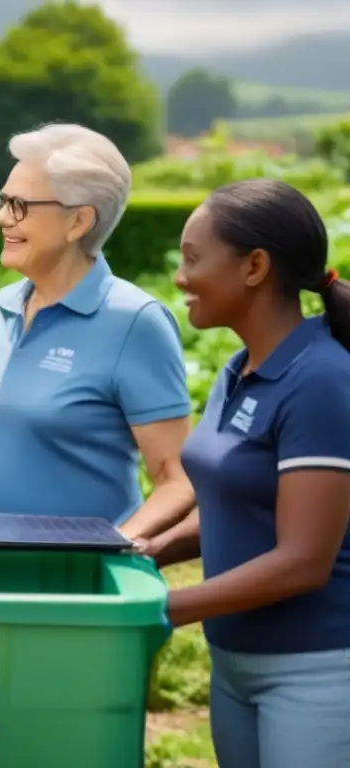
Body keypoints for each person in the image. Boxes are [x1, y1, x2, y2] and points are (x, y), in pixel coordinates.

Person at [142, 179, 350, 768]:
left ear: (254, 266)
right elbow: (243, 509)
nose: (180, 277)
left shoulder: (321, 381)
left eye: (192, 258)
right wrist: (147, 551)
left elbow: (304, 560)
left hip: (316, 673)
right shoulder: (240, 369)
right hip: (234, 663)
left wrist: (161, 608)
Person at [0, 123, 193, 535]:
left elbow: (178, 479)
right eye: (1, 200)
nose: (0, 216)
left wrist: (112, 547)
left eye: (19, 205)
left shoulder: (135, 321)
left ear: (79, 221)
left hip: (81, 585)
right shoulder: (3, 307)